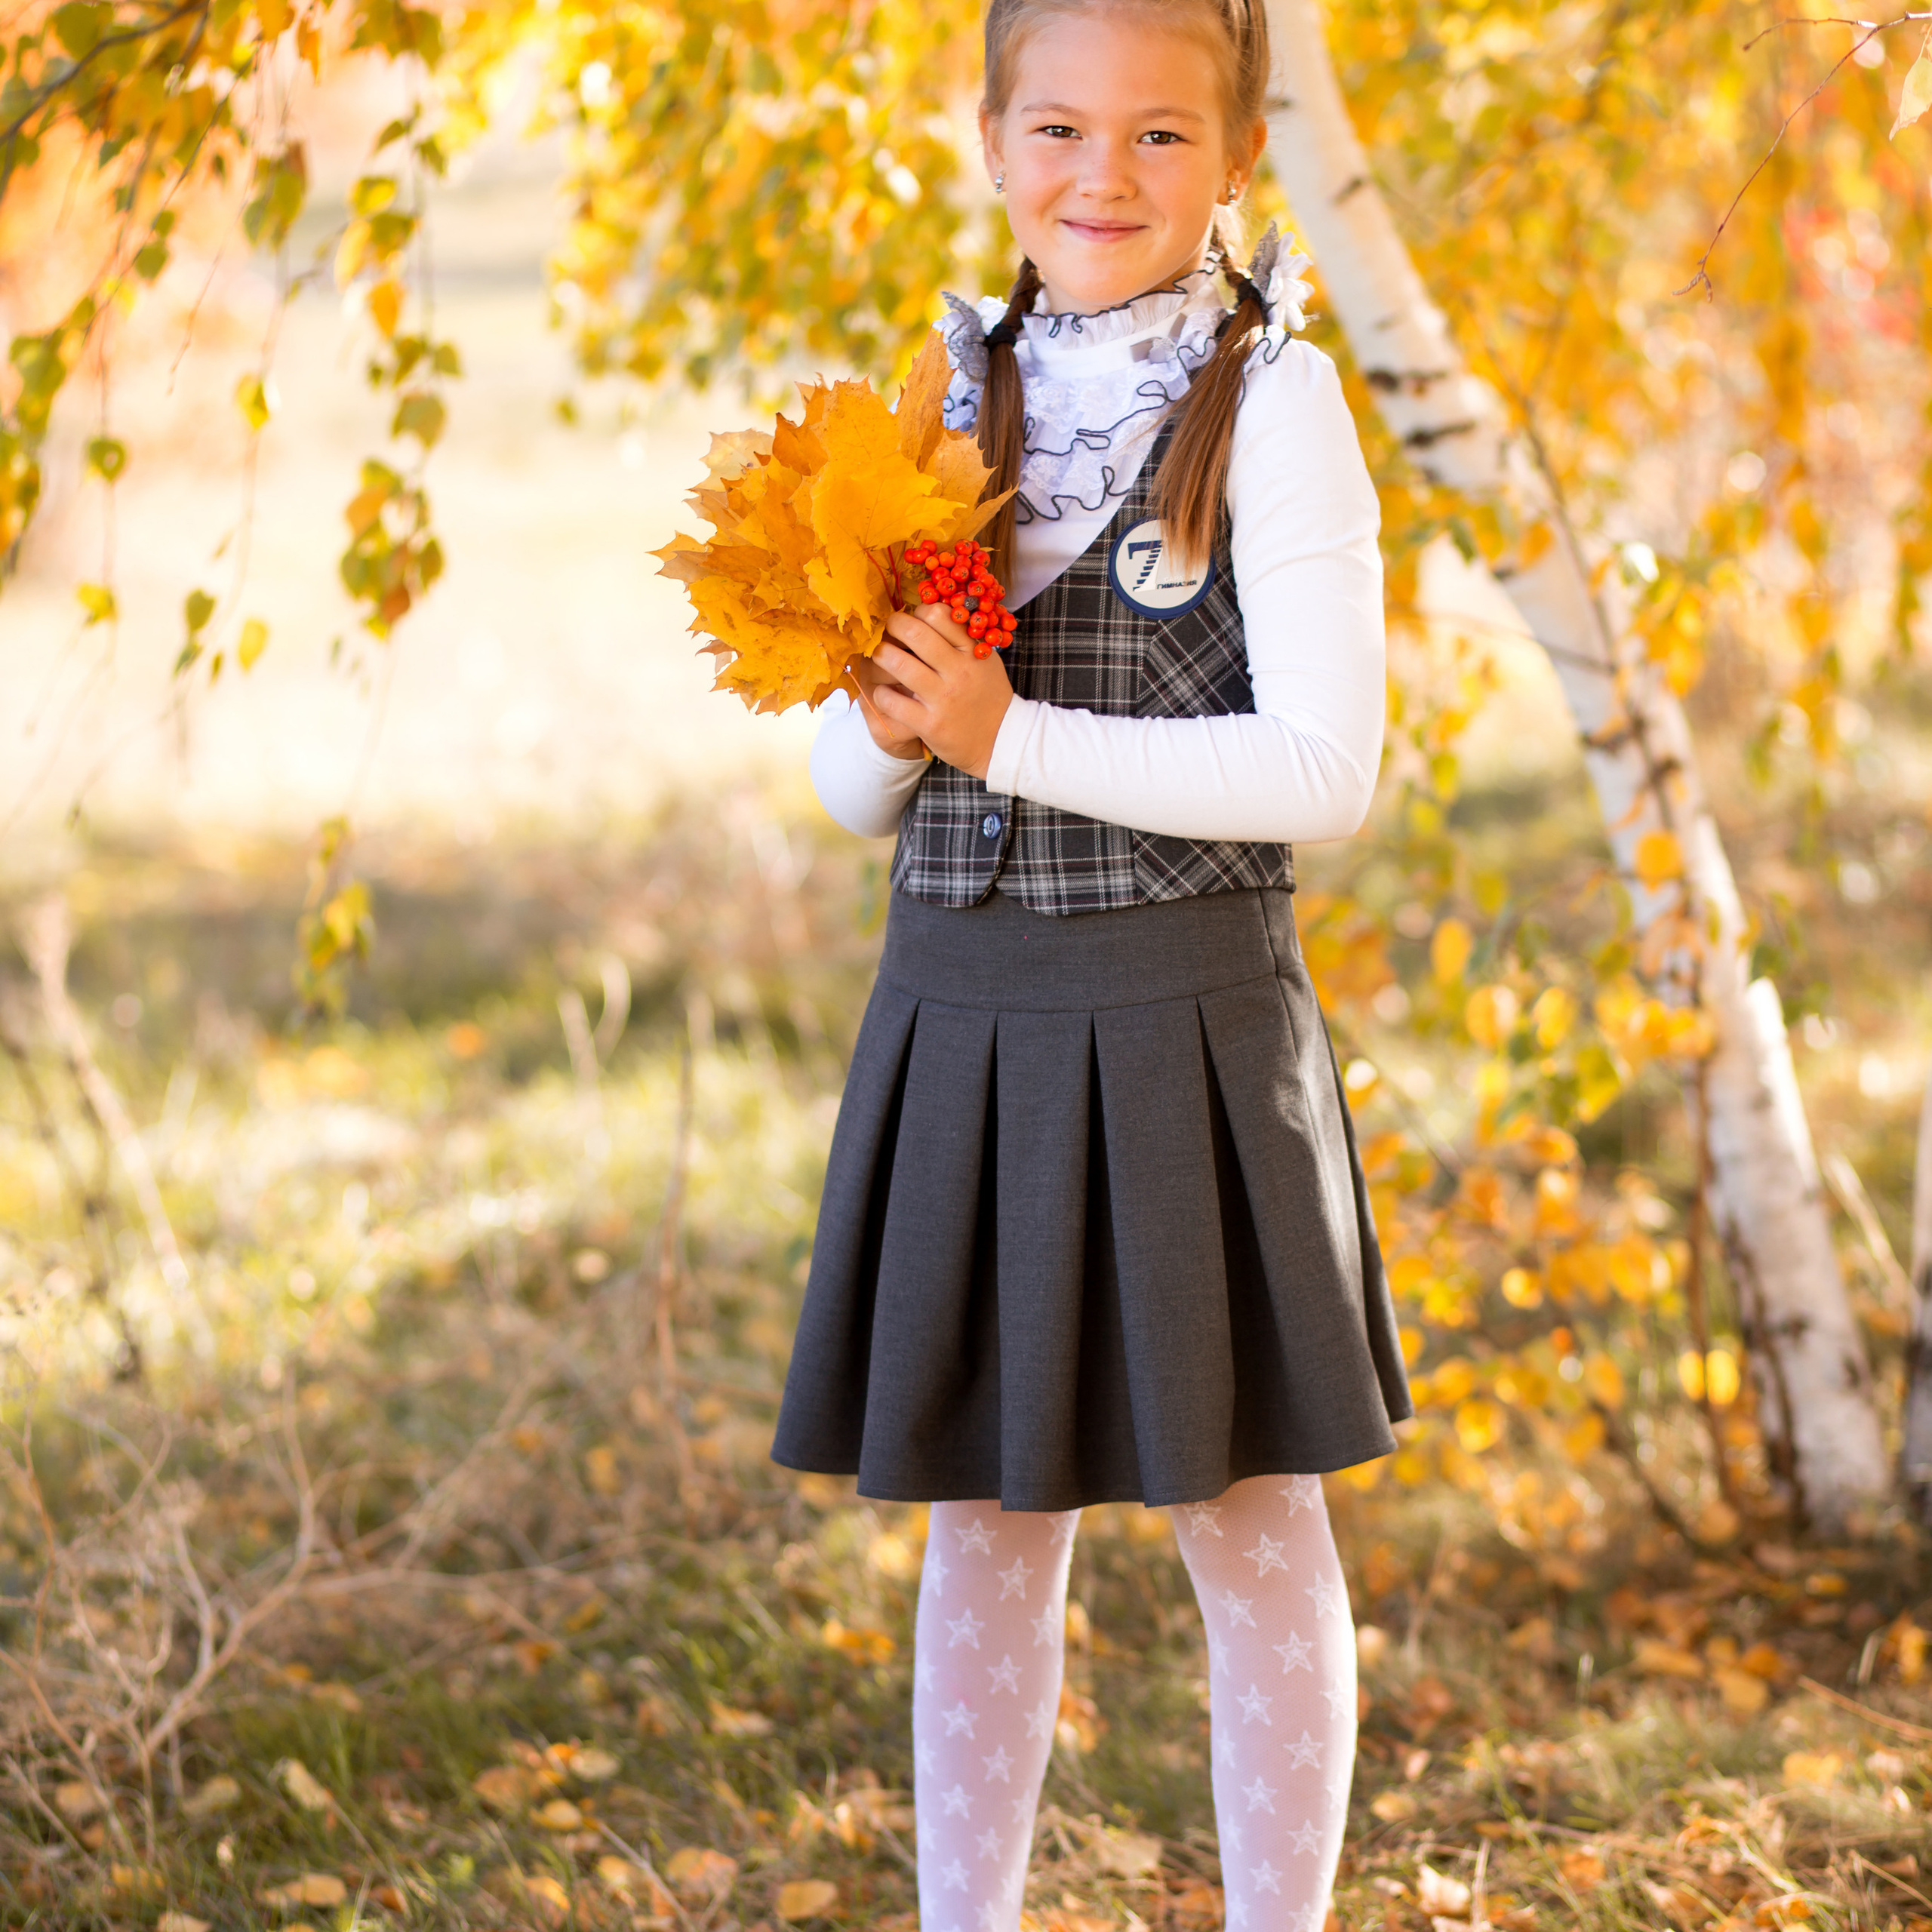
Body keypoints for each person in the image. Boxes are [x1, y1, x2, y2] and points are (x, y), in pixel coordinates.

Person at [771, 2, 1412, 1926]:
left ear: (1232, 156)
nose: (1099, 176)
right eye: (1056, 128)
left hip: (1177, 1024)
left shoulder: (1268, 398)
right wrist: (899, 731)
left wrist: (1003, 737)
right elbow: (843, 778)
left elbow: (1325, 771)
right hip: (964, 1015)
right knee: (982, 1519)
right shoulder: (947, 400)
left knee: (1244, 1513)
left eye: (1155, 137)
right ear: (986, 139)